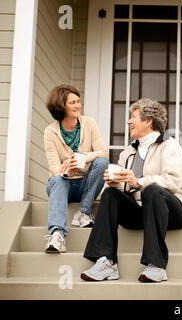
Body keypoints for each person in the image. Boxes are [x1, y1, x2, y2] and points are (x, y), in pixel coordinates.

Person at [81, 98, 182, 282]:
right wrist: (115, 184)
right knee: (110, 194)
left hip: (172, 211)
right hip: (139, 213)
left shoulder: (169, 145)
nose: (128, 122)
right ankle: (106, 262)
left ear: (148, 121)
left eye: (133, 117)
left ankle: (156, 265)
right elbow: (127, 186)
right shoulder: (128, 152)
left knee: (152, 190)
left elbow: (173, 181)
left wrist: (139, 182)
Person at [43, 84, 109, 253]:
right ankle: (57, 234)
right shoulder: (50, 132)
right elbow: (53, 167)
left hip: (84, 185)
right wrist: (65, 172)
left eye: (78, 101)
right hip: (62, 185)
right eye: (73, 102)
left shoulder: (89, 123)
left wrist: (85, 157)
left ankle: (83, 213)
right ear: (60, 106)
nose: (78, 105)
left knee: (102, 162)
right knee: (58, 178)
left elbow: (102, 152)